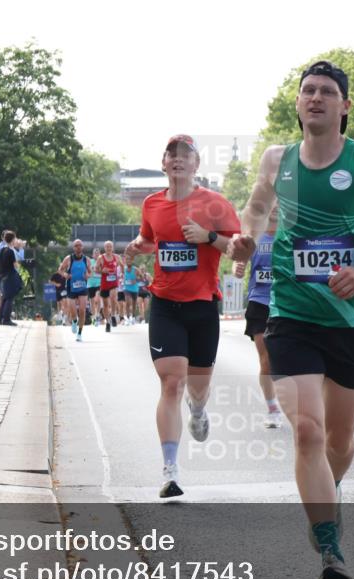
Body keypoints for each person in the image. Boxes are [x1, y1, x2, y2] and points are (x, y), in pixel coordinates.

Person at [229, 61, 354, 579]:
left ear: (344, 106)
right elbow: (256, 215)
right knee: (308, 433)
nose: (316, 98)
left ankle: (325, 500)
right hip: (290, 316)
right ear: (298, 103)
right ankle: (332, 554)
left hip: (352, 320)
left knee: (339, 442)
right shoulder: (277, 159)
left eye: (327, 92)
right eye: (307, 91)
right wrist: (244, 241)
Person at [125, 134, 241, 499]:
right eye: (171, 155)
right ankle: (170, 469)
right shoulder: (151, 204)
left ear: (196, 165)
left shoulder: (215, 204)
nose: (177, 160)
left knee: (197, 388)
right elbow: (151, 240)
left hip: (203, 305)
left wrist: (208, 237)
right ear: (164, 164)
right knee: (171, 383)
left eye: (185, 155)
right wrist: (136, 248)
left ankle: (200, 410)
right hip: (164, 304)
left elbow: (240, 249)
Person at [233, 204, 283, 429]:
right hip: (259, 300)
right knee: (266, 358)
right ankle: (272, 408)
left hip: (286, 303)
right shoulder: (254, 236)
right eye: (271, 203)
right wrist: (239, 267)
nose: (274, 207)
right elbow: (239, 258)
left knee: (287, 358)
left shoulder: (290, 236)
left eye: (279, 203)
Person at [59, 239, 91, 342]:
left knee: (82, 310)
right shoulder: (68, 259)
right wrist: (65, 275)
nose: (78, 247)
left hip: (82, 287)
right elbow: (60, 270)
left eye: (80, 245)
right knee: (72, 310)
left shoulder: (86, 260)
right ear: (73, 248)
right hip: (71, 287)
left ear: (82, 247)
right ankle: (74, 321)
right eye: (76, 246)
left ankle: (80, 333)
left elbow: (91, 273)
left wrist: (88, 276)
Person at [94, 241, 122, 332]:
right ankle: (108, 322)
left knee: (113, 298)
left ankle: (113, 315)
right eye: (107, 247)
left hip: (114, 283)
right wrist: (102, 271)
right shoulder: (100, 258)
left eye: (110, 247)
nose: (109, 248)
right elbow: (95, 270)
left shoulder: (117, 257)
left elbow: (122, 265)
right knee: (105, 305)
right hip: (104, 284)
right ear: (104, 248)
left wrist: (122, 274)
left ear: (112, 248)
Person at [0, 231, 23, 326]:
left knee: (4, 297)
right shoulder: (10, 251)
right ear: (12, 239)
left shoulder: (1, 250)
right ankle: (6, 319)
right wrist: (19, 265)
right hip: (10, 276)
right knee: (9, 298)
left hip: (3, 276)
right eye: (15, 238)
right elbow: (15, 265)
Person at [87, 248, 103, 325]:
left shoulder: (102, 261)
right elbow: (86, 271)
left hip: (99, 283)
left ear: (100, 254)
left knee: (97, 299)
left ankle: (98, 314)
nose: (96, 255)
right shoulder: (90, 262)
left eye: (98, 253)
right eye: (95, 253)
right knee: (92, 301)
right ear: (93, 255)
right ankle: (93, 317)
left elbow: (104, 271)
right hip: (90, 283)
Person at [123, 258, 140, 323]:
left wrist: (136, 280)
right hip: (127, 288)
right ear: (126, 261)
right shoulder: (124, 269)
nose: (128, 261)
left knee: (134, 304)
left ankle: (133, 316)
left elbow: (141, 277)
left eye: (130, 260)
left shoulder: (135, 269)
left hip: (135, 289)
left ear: (132, 261)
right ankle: (127, 317)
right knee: (128, 302)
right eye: (127, 260)